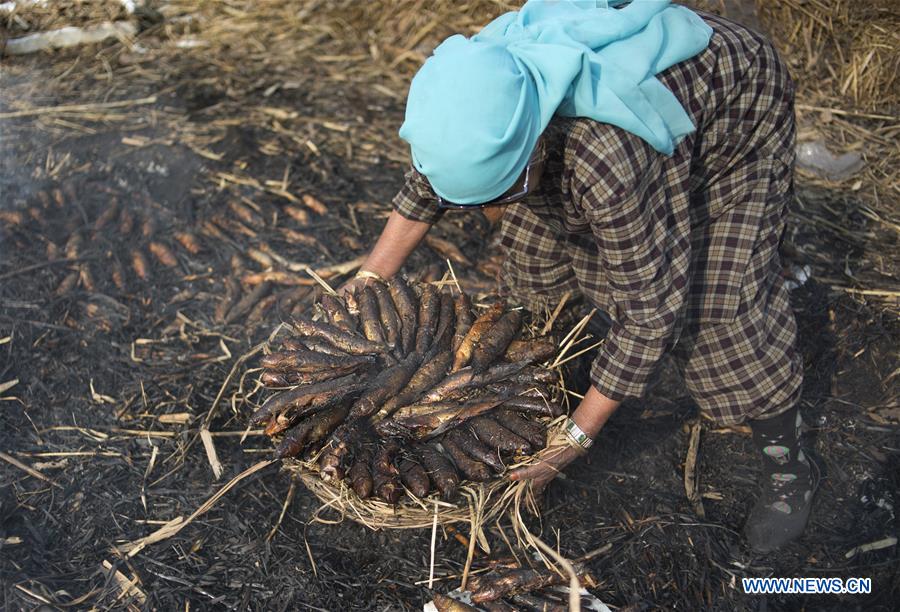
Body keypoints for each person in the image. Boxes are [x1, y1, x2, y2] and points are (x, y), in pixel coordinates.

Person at [346, 0, 814, 553]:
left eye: (499, 193)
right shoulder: (469, 98)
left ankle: (788, 466)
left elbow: (650, 311)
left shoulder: (606, 153)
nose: (487, 212)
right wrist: (367, 278)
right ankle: (551, 391)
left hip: (734, 118)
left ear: (532, 150)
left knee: (716, 309)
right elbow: (432, 182)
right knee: (532, 266)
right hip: (587, 141)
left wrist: (575, 439)